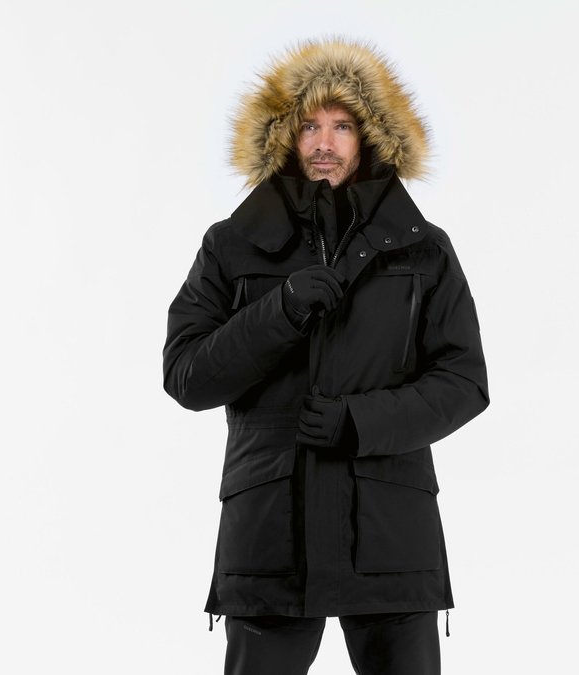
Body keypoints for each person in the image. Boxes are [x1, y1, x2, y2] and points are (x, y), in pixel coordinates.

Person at [162, 37, 489, 675]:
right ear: (284, 136)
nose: (324, 143)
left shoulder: (423, 249)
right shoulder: (232, 244)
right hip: (270, 530)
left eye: (342, 126)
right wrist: (279, 310)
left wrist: (360, 422)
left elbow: (464, 380)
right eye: (309, 125)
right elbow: (187, 375)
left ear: (370, 137)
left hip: (390, 529)